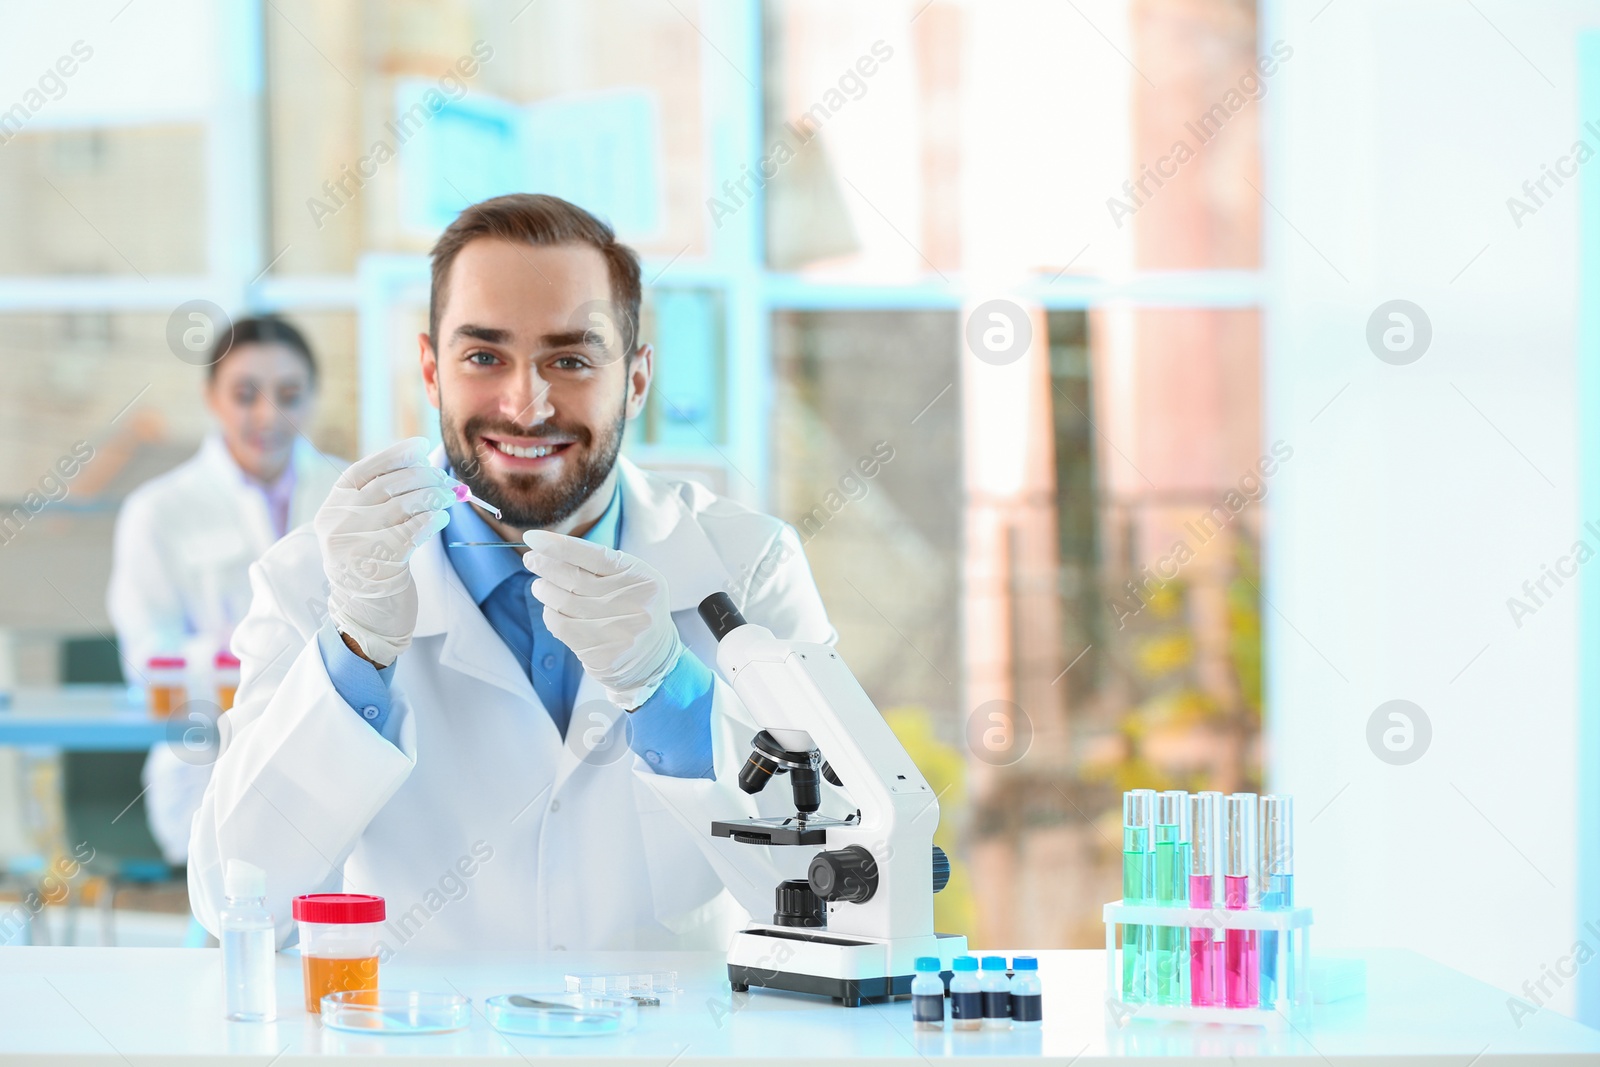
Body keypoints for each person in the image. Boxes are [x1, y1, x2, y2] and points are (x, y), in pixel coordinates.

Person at [188, 194, 837, 954]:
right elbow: (241, 896)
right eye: (484, 356)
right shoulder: (314, 579)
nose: (525, 405)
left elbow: (841, 888)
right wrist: (355, 650)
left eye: (570, 358)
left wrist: (672, 693)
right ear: (431, 370)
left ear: (634, 378)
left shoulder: (749, 567)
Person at [107, 316, 344, 866]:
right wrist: (236, 658)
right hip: (207, 763)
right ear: (211, 398)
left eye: (289, 394)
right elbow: (148, 657)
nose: (268, 415)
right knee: (231, 906)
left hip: (335, 757)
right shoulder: (158, 511)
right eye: (245, 395)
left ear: (312, 398)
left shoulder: (348, 495)